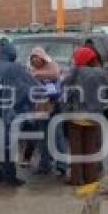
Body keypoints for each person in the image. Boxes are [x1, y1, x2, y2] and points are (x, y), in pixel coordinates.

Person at [0, 38, 39, 186]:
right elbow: (30, 88)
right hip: (7, 113)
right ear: (12, 52)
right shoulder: (14, 68)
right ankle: (10, 177)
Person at [61, 46, 108, 186]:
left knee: (76, 150)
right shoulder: (100, 73)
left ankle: (76, 178)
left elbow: (64, 90)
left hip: (75, 116)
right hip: (94, 116)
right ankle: (91, 177)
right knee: (91, 148)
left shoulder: (73, 72)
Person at [25, 47, 67, 176]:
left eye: (37, 58)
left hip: (54, 106)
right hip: (40, 109)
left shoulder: (52, 67)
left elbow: (55, 74)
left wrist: (36, 75)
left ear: (43, 58)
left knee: (57, 136)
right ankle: (45, 165)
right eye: (33, 59)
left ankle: (61, 165)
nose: (35, 61)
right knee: (43, 138)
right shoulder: (32, 71)